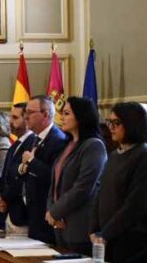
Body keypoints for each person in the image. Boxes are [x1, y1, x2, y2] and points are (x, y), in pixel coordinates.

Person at [90, 103, 147, 263]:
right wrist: (93, 229)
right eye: (109, 122)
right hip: (107, 237)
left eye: (117, 123)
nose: (111, 128)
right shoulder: (115, 155)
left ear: (132, 124)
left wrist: (105, 234)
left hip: (131, 239)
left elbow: (135, 205)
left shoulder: (144, 156)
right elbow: (100, 192)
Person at [45, 97, 106, 255]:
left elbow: (83, 187)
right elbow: (54, 183)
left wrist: (55, 211)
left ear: (81, 116)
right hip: (59, 223)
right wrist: (51, 212)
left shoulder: (94, 146)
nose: (61, 118)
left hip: (79, 225)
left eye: (66, 113)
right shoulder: (69, 144)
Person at [19, 95, 68, 244]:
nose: (25, 117)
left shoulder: (58, 140)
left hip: (46, 214)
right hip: (33, 212)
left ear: (45, 114)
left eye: (30, 112)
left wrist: (31, 162)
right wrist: (23, 169)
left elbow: (54, 176)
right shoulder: (35, 138)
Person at [0, 103, 32, 236]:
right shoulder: (15, 144)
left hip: (23, 214)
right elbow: (5, 174)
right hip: (10, 213)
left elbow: (22, 180)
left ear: (27, 120)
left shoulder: (32, 143)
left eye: (15, 118)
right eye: (10, 117)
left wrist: (5, 196)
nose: (10, 121)